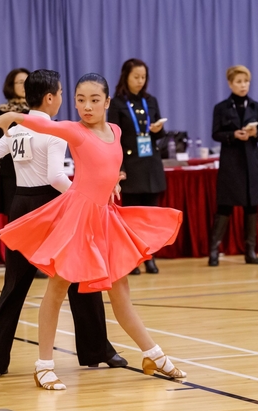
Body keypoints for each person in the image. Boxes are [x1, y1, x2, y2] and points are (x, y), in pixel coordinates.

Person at [0, 73, 185, 390]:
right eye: (80, 100)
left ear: (107, 102)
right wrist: (14, 117)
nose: (86, 106)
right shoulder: (75, 131)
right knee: (57, 289)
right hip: (78, 219)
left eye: (94, 100)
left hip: (105, 219)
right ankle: (44, 366)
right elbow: (44, 125)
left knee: (120, 293)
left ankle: (153, 354)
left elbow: (108, 164)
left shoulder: (115, 131)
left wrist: (113, 181)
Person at [0, 69, 126, 377]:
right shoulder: (55, 131)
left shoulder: (18, 129)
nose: (63, 98)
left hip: (20, 206)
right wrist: (87, 194)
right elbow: (55, 177)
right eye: (62, 93)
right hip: (53, 208)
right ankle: (97, 350)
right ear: (50, 98)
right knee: (81, 277)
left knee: (15, 284)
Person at [108, 58, 166, 275]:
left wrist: (158, 129)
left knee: (151, 217)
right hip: (131, 166)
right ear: (126, 77)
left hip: (151, 164)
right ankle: (132, 259)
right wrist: (119, 167)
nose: (140, 81)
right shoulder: (117, 103)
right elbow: (114, 139)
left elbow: (158, 136)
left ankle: (150, 257)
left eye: (143, 77)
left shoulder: (150, 101)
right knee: (131, 217)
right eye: (136, 77)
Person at [209, 65, 258, 267]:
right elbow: (215, 133)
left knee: (251, 206)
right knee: (225, 205)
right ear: (230, 84)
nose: (243, 85)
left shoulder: (256, 106)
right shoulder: (221, 107)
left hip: (251, 162)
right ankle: (214, 250)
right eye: (239, 82)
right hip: (231, 163)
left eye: (246, 81)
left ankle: (250, 250)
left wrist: (255, 134)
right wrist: (233, 135)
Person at [0, 68, 31, 216]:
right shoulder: (2, 111)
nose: (25, 86)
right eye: (20, 82)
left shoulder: (37, 111)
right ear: (11, 85)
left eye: (27, 82)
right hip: (11, 172)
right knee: (14, 219)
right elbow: (0, 141)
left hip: (35, 171)